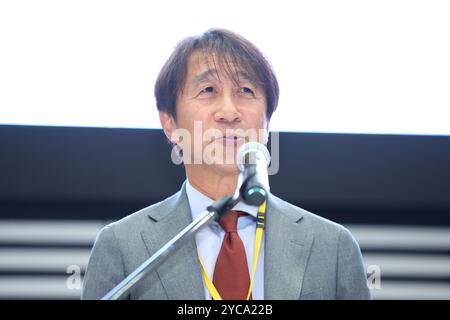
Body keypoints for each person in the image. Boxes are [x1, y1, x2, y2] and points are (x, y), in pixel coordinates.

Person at [81, 28, 371, 300]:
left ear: (267, 122)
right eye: (208, 90)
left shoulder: (332, 247)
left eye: (245, 90)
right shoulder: (122, 245)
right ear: (169, 123)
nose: (229, 112)